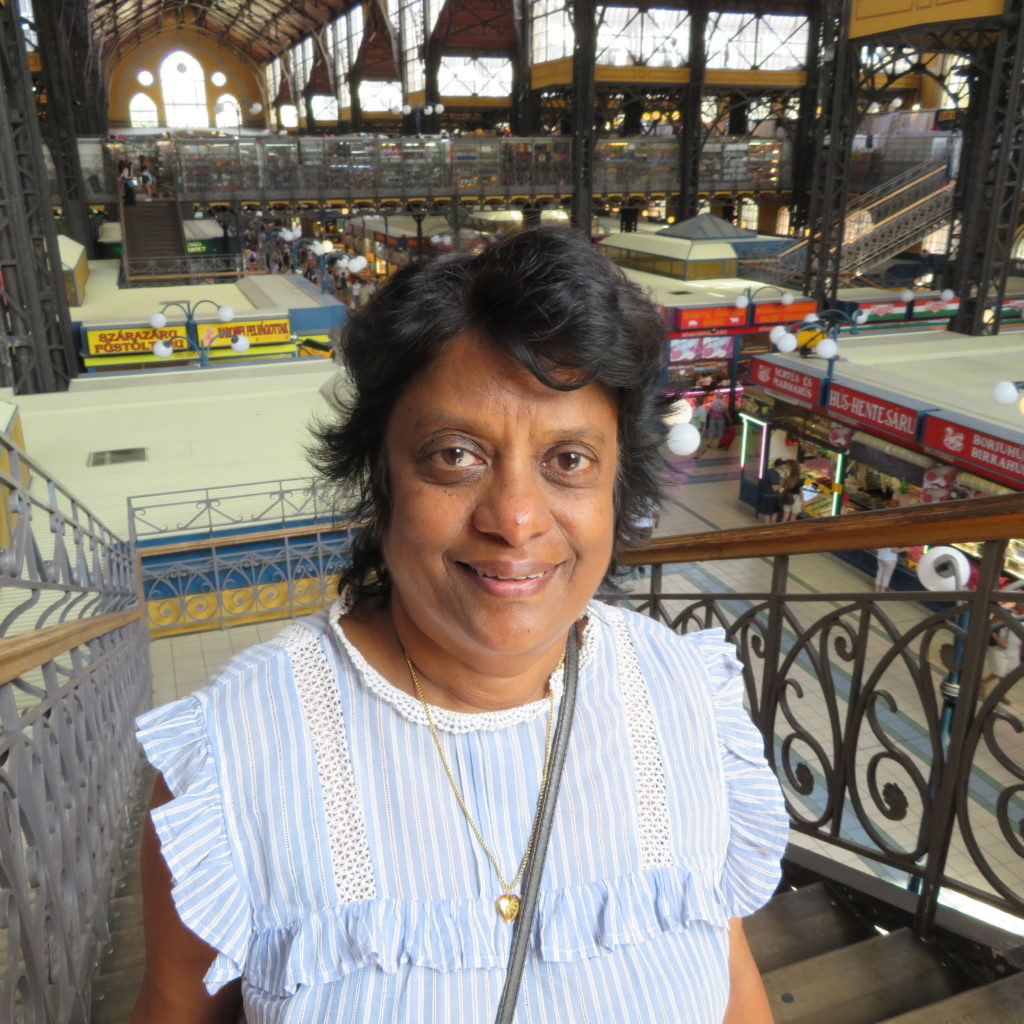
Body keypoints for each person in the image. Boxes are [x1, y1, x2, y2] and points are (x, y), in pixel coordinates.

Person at [131, 226, 787, 1024]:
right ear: (381, 477)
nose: (515, 519)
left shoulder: (687, 702)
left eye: (569, 460)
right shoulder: (233, 763)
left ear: (620, 483)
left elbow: (732, 982)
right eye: (454, 455)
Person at [757, 457, 784, 524]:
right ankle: (768, 527)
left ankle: (772, 526)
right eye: (783, 465)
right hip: (770, 497)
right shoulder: (774, 474)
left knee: (774, 512)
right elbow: (774, 488)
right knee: (768, 513)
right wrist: (782, 485)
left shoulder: (770, 471)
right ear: (780, 466)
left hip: (769, 496)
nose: (784, 466)